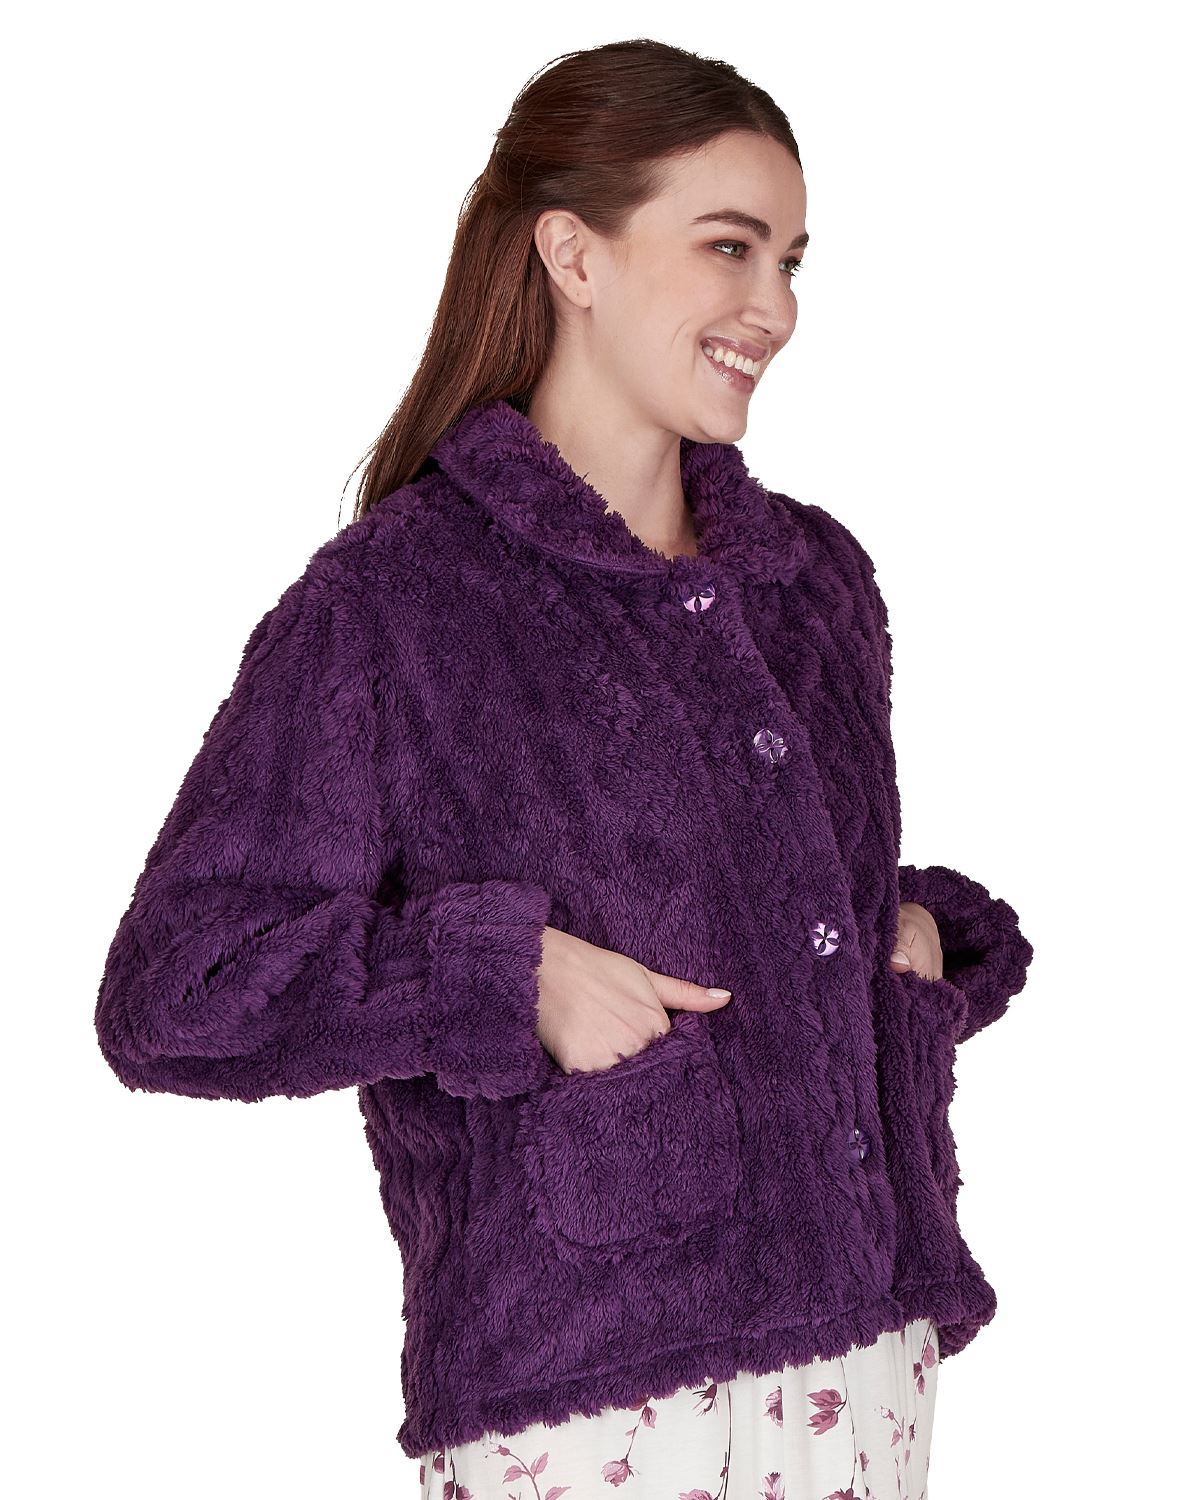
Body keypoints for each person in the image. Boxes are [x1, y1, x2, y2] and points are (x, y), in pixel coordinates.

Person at [95, 38, 1033, 1499]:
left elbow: (759, 885)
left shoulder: (815, 584)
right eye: (729, 247)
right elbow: (178, 990)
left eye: (792, 262)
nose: (775, 307)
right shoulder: (398, 600)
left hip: (867, 1358)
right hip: (594, 1398)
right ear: (573, 255)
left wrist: (912, 936)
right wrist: (505, 977)